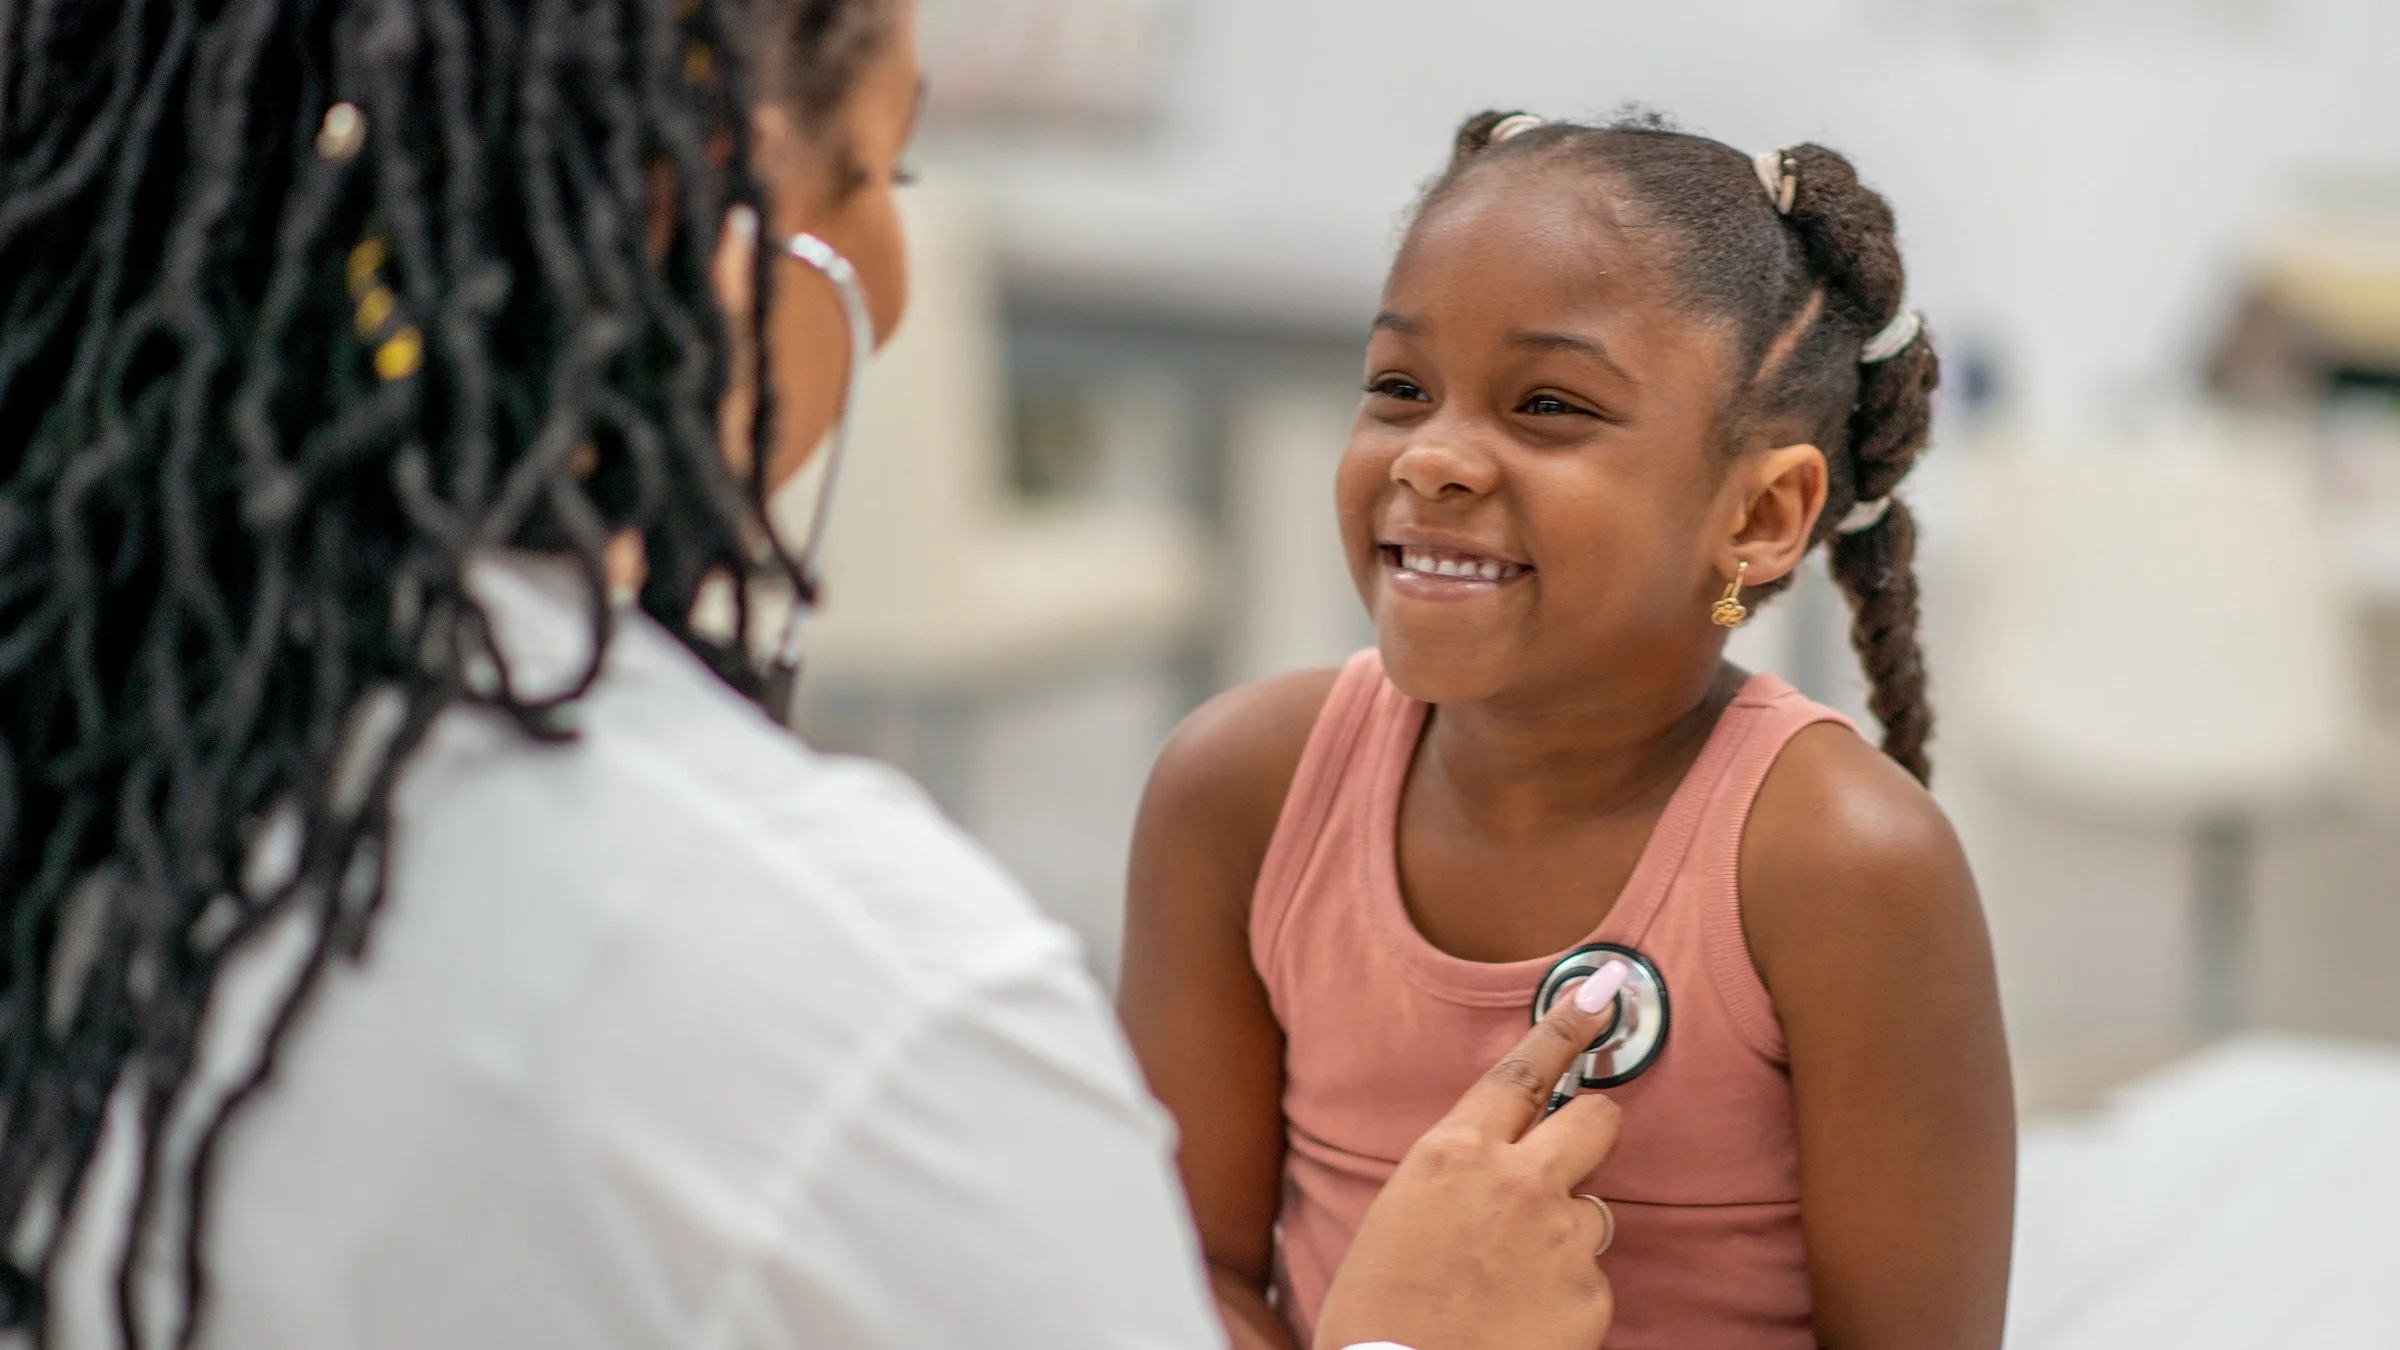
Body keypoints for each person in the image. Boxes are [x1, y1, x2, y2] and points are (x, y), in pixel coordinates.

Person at [0, 2, 1633, 1348]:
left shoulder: (96, 764)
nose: (896, 273)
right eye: (878, 173)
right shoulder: (871, 1013)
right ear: (685, 214)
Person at [1121, 110, 2018, 1350]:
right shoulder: (1239, 793)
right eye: (1398, 387)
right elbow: (1179, 1288)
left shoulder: (1842, 864)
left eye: (1546, 404)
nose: (1432, 457)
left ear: (1761, 516)